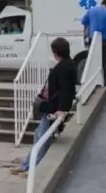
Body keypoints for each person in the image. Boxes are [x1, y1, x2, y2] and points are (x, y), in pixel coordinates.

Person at [11, 37, 77, 178]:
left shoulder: (63, 67)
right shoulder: (70, 64)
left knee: (41, 138)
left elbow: (66, 89)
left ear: (55, 52)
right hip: (54, 106)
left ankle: (31, 168)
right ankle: (27, 165)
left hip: (53, 108)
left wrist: (61, 109)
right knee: (39, 135)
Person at [81, 0, 106, 86]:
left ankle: (95, 79)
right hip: (104, 39)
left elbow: (83, 21)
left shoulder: (91, 11)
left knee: (94, 59)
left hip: (92, 39)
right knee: (103, 58)